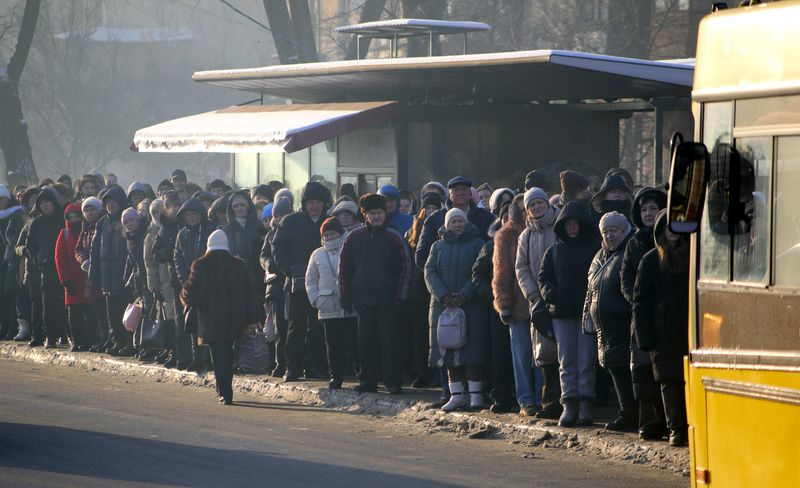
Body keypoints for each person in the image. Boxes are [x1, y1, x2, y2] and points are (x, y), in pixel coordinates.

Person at [339, 193, 411, 394]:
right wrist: (345, 297)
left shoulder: (393, 236)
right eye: (372, 213)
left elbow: (405, 268)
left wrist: (400, 296)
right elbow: (344, 269)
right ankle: (368, 381)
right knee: (365, 343)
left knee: (390, 342)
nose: (377, 216)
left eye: (380, 212)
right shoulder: (354, 237)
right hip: (362, 300)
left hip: (387, 299)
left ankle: (393, 381)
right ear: (365, 214)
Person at [538, 201, 600, 426]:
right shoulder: (554, 251)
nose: (572, 228)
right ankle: (569, 404)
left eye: (575, 224)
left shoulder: (595, 248)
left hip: (586, 313)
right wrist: (552, 296)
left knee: (585, 360)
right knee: (566, 361)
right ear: (562, 226)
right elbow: (544, 278)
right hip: (561, 313)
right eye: (568, 224)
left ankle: (585, 405)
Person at [181, 230, 261, 405]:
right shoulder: (239, 264)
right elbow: (250, 294)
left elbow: (189, 295)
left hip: (211, 320)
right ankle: (226, 389)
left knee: (218, 355)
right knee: (230, 354)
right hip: (235, 320)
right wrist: (252, 318)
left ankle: (224, 392)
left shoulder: (200, 265)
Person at [633, 209, 690, 447]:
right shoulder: (650, 260)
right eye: (668, 227)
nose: (673, 232)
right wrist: (644, 337)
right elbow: (640, 301)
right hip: (663, 332)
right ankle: (676, 428)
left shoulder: (694, 255)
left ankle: (690, 426)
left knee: (690, 380)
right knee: (670, 381)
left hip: (692, 329)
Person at [425, 208, 488, 411]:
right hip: (443, 306)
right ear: (447, 224)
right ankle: (456, 394)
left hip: (471, 305)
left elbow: (479, 271)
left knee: (472, 351)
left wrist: (464, 295)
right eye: (453, 221)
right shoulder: (437, 246)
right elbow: (430, 272)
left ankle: (476, 395)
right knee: (449, 352)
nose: (457, 225)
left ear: (466, 222)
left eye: (461, 221)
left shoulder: (478, 243)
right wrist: (444, 296)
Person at [272, 181, 332, 382]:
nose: (314, 206)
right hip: (297, 283)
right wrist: (288, 268)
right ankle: (293, 367)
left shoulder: (330, 222)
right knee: (295, 326)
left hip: (324, 284)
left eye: (318, 202)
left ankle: (316, 366)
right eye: (311, 202)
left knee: (318, 327)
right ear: (304, 204)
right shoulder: (291, 221)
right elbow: (277, 247)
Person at [621, 187, 668, 440]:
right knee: (641, 371)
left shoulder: (672, 237)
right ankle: (649, 421)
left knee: (665, 370)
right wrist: (638, 301)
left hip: (668, 315)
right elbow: (625, 279)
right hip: (641, 315)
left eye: (653, 208)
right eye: (644, 209)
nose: (649, 213)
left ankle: (670, 420)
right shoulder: (634, 243)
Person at [584, 211, 635, 432]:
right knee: (615, 369)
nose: (610, 235)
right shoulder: (600, 256)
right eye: (605, 232)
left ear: (624, 231)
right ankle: (627, 413)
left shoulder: (628, 252)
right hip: (604, 326)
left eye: (614, 230)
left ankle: (631, 414)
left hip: (623, 323)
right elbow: (591, 289)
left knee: (626, 370)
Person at [515, 187, 562, 419]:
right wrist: (533, 295)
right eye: (531, 205)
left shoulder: (560, 225)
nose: (536, 207)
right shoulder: (526, 235)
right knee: (544, 354)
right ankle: (550, 403)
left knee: (567, 353)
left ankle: (570, 402)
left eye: (539, 203)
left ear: (547, 203)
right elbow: (521, 268)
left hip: (561, 299)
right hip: (538, 302)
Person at [305, 217, 358, 389]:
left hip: (350, 305)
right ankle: (336, 376)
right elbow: (311, 279)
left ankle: (361, 374)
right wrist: (316, 299)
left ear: (340, 233)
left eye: (332, 233)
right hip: (327, 307)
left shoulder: (350, 248)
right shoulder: (317, 254)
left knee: (354, 343)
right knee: (333, 345)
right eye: (326, 234)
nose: (329, 237)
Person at [492, 194, 532, 414]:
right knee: (522, 356)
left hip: (541, 303)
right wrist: (504, 303)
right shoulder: (506, 235)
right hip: (517, 305)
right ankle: (526, 400)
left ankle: (544, 398)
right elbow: (501, 271)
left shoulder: (546, 229)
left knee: (543, 357)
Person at [405, 191, 442, 389]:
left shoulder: (444, 228)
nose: (430, 212)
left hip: (437, 289)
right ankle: (422, 373)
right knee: (420, 335)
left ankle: (438, 373)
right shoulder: (412, 233)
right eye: (427, 208)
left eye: (434, 208)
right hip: (418, 290)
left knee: (439, 334)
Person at [415, 176, 494, 269]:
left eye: (464, 189)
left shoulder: (485, 217)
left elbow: (493, 249)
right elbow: (421, 255)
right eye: (456, 190)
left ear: (470, 193)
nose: (460, 193)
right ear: (449, 194)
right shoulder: (434, 219)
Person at [90, 186, 132, 356]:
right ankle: (118, 341)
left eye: (114, 201)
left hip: (124, 276)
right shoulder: (102, 223)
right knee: (112, 314)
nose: (111, 205)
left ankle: (129, 343)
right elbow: (94, 250)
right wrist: (94, 272)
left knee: (127, 313)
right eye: (108, 202)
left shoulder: (127, 219)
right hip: (107, 276)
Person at [175, 197, 215, 372]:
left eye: (194, 214)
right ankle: (196, 358)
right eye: (188, 215)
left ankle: (210, 359)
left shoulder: (210, 230)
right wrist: (185, 281)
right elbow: (177, 258)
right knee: (193, 323)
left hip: (210, 284)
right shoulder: (182, 235)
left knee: (210, 323)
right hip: (191, 285)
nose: (191, 217)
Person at [22, 188, 66, 349]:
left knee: (65, 304)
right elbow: (31, 246)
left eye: (47, 202)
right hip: (46, 270)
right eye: (41, 203)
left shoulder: (62, 220)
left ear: (54, 203)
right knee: (47, 306)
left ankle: (65, 334)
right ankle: (51, 337)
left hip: (64, 268)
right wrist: (38, 261)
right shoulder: (37, 223)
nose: (45, 205)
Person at [55, 203, 97, 351]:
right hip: (72, 281)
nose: (73, 219)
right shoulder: (64, 234)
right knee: (74, 314)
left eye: (75, 216)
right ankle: (76, 341)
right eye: (70, 217)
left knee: (90, 313)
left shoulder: (88, 231)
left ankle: (88, 341)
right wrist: (65, 280)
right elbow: (59, 259)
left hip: (87, 279)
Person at [260, 196, 293, 377]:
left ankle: (294, 362)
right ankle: (280, 362)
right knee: (279, 327)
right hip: (277, 286)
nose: (280, 218)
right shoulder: (270, 234)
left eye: (284, 214)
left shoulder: (297, 231)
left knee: (294, 327)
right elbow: (263, 256)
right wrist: (270, 264)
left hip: (294, 283)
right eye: (278, 215)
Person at [144, 199, 176, 365]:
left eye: (160, 211)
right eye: (154, 212)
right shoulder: (150, 236)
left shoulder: (171, 229)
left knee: (175, 317)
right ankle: (168, 348)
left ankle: (176, 349)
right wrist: (154, 286)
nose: (158, 215)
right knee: (165, 317)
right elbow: (149, 264)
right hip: (162, 282)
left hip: (174, 280)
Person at [223, 190, 265, 289]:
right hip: (236, 278)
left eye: (242, 205)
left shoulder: (259, 227)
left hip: (258, 275)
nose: (239, 208)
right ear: (231, 209)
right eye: (236, 206)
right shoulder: (227, 230)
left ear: (248, 207)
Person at [0, 185, 24, 340]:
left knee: (10, 293)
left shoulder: (15, 214)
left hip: (10, 259)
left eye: (2, 199)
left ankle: (11, 326)